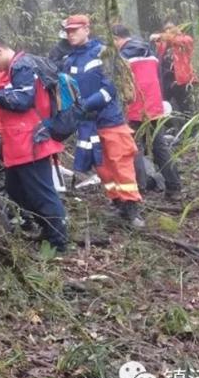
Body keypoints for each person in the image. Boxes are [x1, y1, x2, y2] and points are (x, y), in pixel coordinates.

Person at [0, 36, 68, 251]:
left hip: (31, 142)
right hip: (19, 142)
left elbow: (22, 100)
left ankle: (58, 242)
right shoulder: (16, 68)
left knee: (42, 192)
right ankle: (46, 229)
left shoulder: (22, 66)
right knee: (15, 190)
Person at [61, 14, 144, 228]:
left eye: (75, 30)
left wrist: (88, 104)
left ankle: (132, 208)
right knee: (102, 165)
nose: (71, 34)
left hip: (109, 119)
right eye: (68, 31)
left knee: (121, 161)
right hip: (87, 123)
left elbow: (110, 87)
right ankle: (117, 202)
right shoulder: (69, 60)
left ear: (87, 29)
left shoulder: (103, 53)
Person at [112, 25, 182, 200]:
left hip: (135, 108)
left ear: (116, 38)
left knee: (134, 148)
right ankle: (174, 188)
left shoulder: (123, 56)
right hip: (154, 106)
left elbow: (122, 86)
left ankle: (138, 190)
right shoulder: (149, 51)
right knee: (160, 147)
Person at [151, 21, 197, 114]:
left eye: (171, 30)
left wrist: (162, 36)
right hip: (166, 81)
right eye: (166, 30)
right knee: (165, 107)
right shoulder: (164, 45)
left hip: (181, 82)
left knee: (186, 108)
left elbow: (183, 41)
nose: (168, 32)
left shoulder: (184, 40)